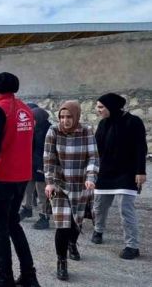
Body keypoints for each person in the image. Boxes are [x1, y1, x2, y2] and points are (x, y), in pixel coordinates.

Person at [0, 72, 40, 287]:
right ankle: (29, 276)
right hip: (21, 176)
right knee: (13, 225)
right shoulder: (26, 110)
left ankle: (4, 276)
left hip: (1, 176)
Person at [43, 101, 98, 281]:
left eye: (69, 117)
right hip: (59, 185)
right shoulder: (53, 131)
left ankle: (72, 243)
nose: (65, 120)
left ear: (76, 116)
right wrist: (49, 182)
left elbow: (93, 157)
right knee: (62, 224)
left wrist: (90, 177)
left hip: (81, 185)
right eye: (62, 117)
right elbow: (49, 158)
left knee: (76, 222)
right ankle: (61, 261)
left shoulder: (86, 131)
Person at [92, 93, 147, 260]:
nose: (98, 110)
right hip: (105, 173)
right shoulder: (103, 124)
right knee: (99, 206)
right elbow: (96, 149)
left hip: (127, 173)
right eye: (97, 106)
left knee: (126, 209)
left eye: (101, 107)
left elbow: (140, 147)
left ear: (112, 107)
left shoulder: (134, 122)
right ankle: (98, 230)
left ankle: (132, 246)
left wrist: (141, 171)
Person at [21, 107, 52, 229]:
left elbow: (48, 150)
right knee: (27, 189)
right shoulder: (33, 128)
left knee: (42, 193)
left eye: (33, 119)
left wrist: (43, 166)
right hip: (30, 165)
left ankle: (44, 216)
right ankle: (26, 208)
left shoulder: (49, 130)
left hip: (42, 166)